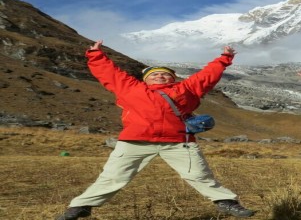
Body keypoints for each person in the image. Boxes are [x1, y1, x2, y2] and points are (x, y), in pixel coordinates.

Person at [56, 40, 255, 220]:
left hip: (178, 142)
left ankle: (227, 203)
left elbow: (207, 76)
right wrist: (95, 54)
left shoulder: (187, 89)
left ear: (173, 78)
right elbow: (109, 73)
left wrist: (225, 58)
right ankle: (81, 206)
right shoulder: (130, 88)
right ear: (146, 80)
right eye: (154, 75)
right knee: (113, 176)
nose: (160, 76)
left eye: (165, 74)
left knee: (198, 174)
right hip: (135, 141)